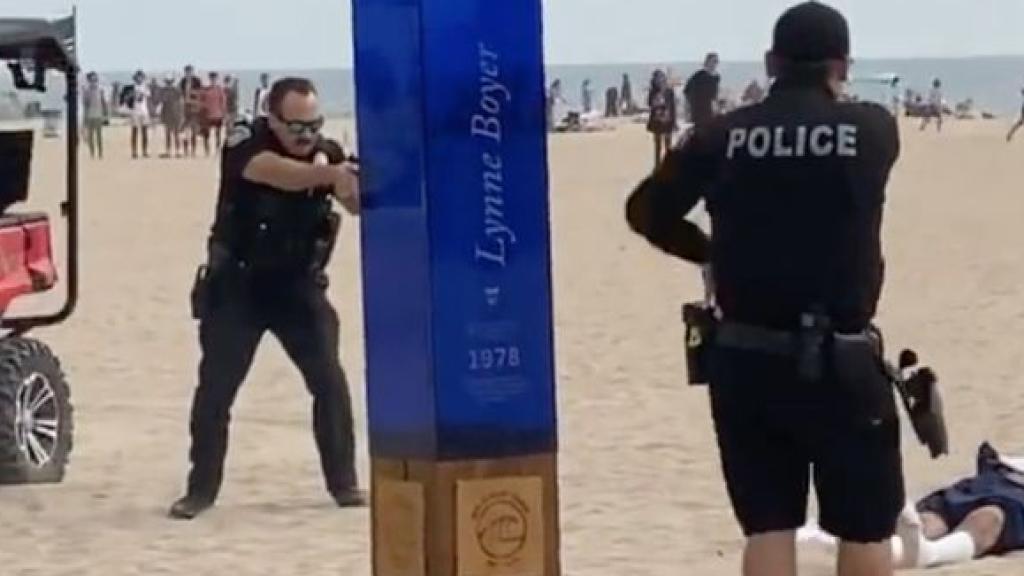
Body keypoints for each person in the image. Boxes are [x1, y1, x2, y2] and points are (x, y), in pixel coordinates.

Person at [624, 3, 904, 576]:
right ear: (842, 65)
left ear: (771, 61)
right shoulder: (874, 130)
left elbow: (645, 210)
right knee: (866, 529)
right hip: (844, 358)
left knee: (769, 529)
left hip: (747, 355)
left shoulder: (721, 137)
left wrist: (708, 252)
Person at [169, 77, 366, 520]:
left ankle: (344, 484)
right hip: (239, 287)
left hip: (297, 287)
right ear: (272, 119)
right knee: (217, 392)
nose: (306, 136)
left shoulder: (328, 155)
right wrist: (327, 173)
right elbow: (271, 171)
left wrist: (351, 183)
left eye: (314, 125)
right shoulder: (246, 141)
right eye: (296, 127)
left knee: (329, 384)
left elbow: (353, 200)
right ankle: (200, 491)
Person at [800, 441, 1024, 569]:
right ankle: (879, 546)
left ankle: (929, 554)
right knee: (930, 520)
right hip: (1003, 475)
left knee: (988, 519)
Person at [646, 69, 677, 168]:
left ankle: (669, 165)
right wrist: (657, 98)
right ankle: (657, 166)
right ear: (654, 80)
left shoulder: (669, 91)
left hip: (668, 120)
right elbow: (650, 104)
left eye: (661, 77)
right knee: (658, 145)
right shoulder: (653, 91)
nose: (660, 80)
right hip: (657, 120)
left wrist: (674, 121)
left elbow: (673, 107)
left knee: (668, 145)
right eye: (657, 78)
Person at [684, 52, 722, 130]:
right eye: (713, 61)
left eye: (716, 62)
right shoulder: (698, 76)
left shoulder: (716, 77)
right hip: (699, 110)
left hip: (711, 110)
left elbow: (715, 95)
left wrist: (717, 107)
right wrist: (688, 109)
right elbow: (686, 91)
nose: (715, 64)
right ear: (707, 61)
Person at [120, 70, 152, 159]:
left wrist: (142, 92)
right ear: (135, 78)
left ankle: (144, 151)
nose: (139, 78)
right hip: (134, 111)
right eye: (138, 77)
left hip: (144, 111)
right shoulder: (131, 87)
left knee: (144, 132)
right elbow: (126, 97)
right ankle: (134, 151)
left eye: (141, 77)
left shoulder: (145, 87)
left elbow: (148, 95)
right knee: (134, 132)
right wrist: (131, 95)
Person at [81, 71, 108, 159]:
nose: (93, 81)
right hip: (90, 115)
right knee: (90, 136)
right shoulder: (86, 90)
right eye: (92, 79)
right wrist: (84, 118)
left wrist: (105, 114)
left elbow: (104, 102)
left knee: (99, 136)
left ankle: (100, 153)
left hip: (98, 115)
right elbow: (85, 104)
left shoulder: (100, 89)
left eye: (95, 79)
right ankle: (92, 153)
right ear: (89, 80)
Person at [201, 71, 228, 155]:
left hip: (218, 115)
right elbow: (202, 101)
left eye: (214, 78)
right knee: (206, 135)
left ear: (216, 79)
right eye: (212, 78)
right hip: (208, 116)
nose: (213, 80)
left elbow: (223, 102)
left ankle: (217, 150)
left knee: (218, 135)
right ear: (210, 79)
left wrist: (224, 114)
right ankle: (207, 150)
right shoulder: (206, 89)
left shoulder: (220, 89)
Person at [159, 75, 185, 158]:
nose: (169, 83)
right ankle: (168, 151)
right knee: (168, 134)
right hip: (167, 114)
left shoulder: (176, 91)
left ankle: (178, 151)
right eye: (167, 82)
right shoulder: (163, 91)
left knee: (176, 134)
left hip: (176, 114)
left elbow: (181, 103)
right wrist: (162, 116)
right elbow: (162, 103)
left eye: (170, 82)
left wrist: (181, 115)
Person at [181, 65, 204, 157]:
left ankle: (193, 151)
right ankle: (186, 151)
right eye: (187, 72)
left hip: (194, 109)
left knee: (194, 131)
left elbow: (200, 93)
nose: (188, 73)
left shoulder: (197, 81)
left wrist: (192, 94)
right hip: (185, 109)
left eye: (190, 71)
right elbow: (180, 93)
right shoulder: (182, 81)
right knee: (185, 132)